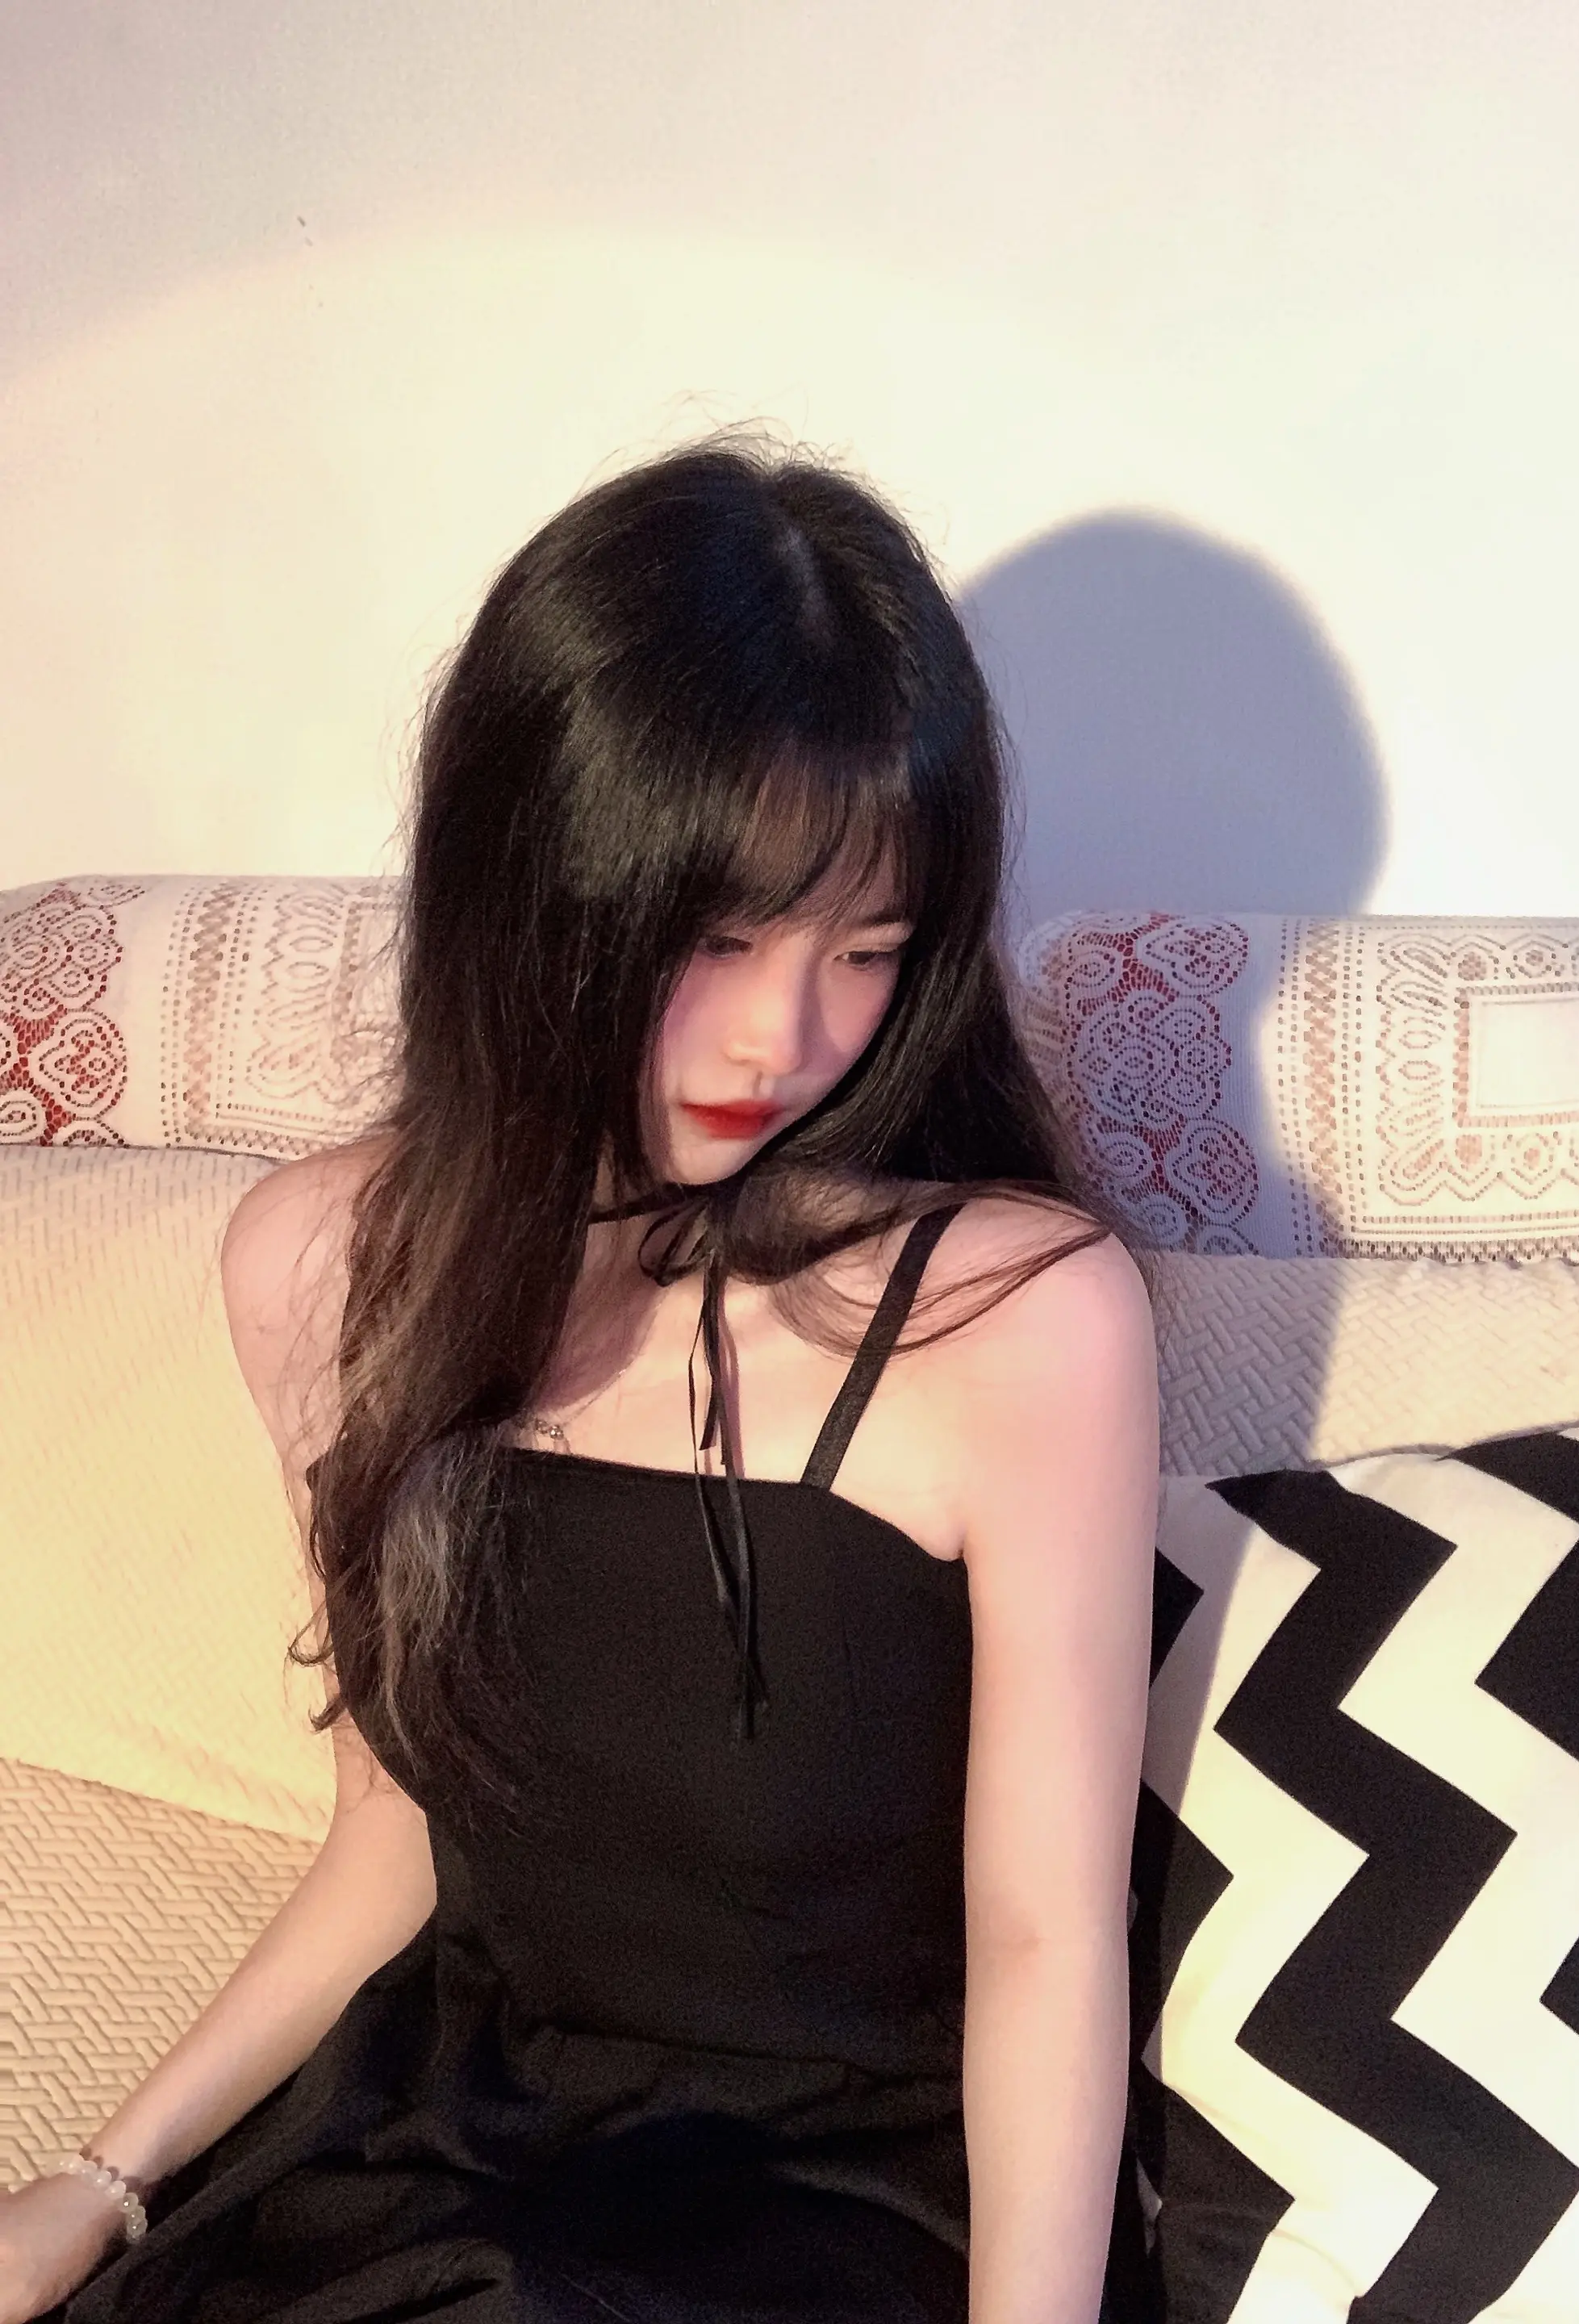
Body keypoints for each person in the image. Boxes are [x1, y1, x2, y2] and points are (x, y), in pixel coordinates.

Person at [2, 435, 1159, 2324]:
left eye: (865, 950)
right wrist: (99, 2184)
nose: (785, 1037)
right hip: (445, 2156)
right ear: (536, 887)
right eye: (717, 939)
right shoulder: (326, 1266)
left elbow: (1046, 1944)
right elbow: (398, 1835)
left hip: (824, 2212)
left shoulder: (1021, 1319)